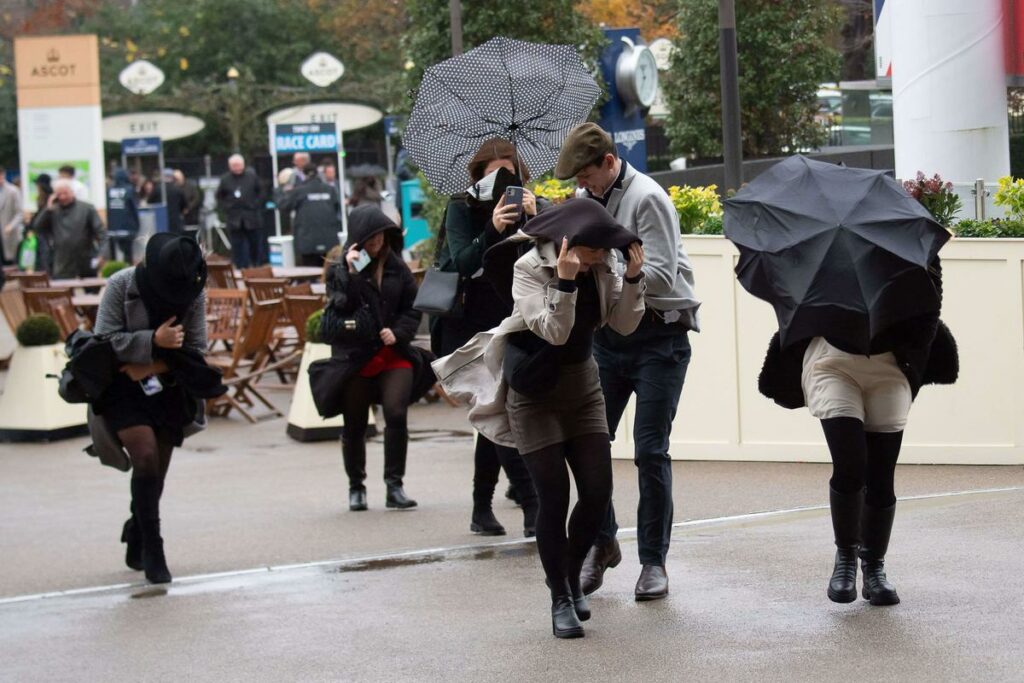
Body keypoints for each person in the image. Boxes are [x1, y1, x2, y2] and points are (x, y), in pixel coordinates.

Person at [433, 198, 646, 638]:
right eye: (596, 250)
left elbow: (623, 325)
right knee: (553, 496)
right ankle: (560, 599)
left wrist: (634, 278)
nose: (604, 256)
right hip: (534, 392)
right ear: (571, 244)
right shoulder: (529, 267)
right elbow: (554, 331)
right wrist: (565, 284)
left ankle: (569, 579)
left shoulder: (603, 264)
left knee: (597, 492)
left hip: (583, 386)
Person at [555, 123, 700, 601]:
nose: (583, 185)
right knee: (587, 444)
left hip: (660, 336)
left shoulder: (648, 197)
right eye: (577, 178)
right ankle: (604, 542)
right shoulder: (589, 197)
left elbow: (661, 273)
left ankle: (653, 562)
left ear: (610, 162)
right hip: (611, 337)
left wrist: (609, 266)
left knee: (649, 450)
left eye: (587, 176)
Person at [758, 260, 958, 606]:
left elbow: (928, 313)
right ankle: (846, 559)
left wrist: (890, 306)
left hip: (890, 364)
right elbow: (791, 299)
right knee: (851, 462)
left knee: (881, 473)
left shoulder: (913, 242)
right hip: (831, 360)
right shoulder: (824, 245)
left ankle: (874, 567)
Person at [432, 138, 541, 537]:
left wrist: (536, 214)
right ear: (479, 174)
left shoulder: (529, 203)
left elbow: (544, 252)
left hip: (512, 317)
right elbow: (461, 262)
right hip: (470, 324)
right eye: (493, 173)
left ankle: (481, 508)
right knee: (500, 409)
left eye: (507, 173)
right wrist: (491, 229)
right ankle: (531, 505)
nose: (501, 181)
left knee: (496, 412)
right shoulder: (461, 208)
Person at [93, 234, 213, 584]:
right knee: (144, 458)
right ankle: (154, 547)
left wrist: (152, 366)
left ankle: (136, 530)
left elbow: (198, 349)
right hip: (120, 390)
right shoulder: (121, 284)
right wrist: (152, 341)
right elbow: (103, 342)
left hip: (169, 389)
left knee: (156, 473)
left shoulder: (193, 290)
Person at [326, 205, 433, 511]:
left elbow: (413, 307)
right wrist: (348, 272)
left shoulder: (395, 265)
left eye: (381, 237)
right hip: (356, 354)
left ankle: (394, 485)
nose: (376, 244)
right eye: (370, 238)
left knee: (396, 413)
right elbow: (339, 306)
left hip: (392, 352)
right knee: (355, 421)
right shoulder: (341, 267)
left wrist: (398, 333)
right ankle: (356, 487)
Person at [33, 178, 107, 278]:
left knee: (92, 291)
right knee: (63, 290)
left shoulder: (87, 208)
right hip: (62, 261)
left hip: (85, 258)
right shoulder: (52, 210)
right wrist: (47, 209)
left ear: (72, 192)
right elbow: (37, 227)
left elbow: (101, 232)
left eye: (65, 193)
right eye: (59, 194)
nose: (63, 197)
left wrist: (102, 254)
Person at [278, 163, 341, 267]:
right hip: (329, 240)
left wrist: (283, 189)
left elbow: (283, 206)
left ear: (304, 174)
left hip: (306, 241)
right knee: (328, 273)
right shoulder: (330, 189)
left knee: (309, 272)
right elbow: (336, 209)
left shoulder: (299, 190)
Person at [216, 154, 263, 268]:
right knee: (237, 244)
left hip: (251, 216)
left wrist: (255, 204)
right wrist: (227, 206)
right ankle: (240, 266)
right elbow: (219, 196)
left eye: (238, 164)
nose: (236, 167)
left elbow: (261, 192)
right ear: (230, 166)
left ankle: (255, 265)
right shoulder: (225, 179)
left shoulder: (252, 177)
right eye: (234, 165)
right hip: (234, 218)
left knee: (254, 243)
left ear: (243, 164)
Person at [106, 168, 141, 262]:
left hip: (112, 227)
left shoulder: (109, 190)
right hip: (127, 226)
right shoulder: (129, 189)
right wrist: (137, 225)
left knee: (113, 255)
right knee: (128, 253)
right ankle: (128, 273)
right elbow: (134, 207)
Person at [148, 169, 188, 235]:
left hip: (160, 221)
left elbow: (150, 203)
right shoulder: (178, 190)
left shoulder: (157, 189)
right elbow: (184, 205)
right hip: (175, 222)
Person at [0, 167, 23, 265]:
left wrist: (11, 225)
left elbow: (20, 212)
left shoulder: (13, 191)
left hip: (8, 233)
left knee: (10, 261)